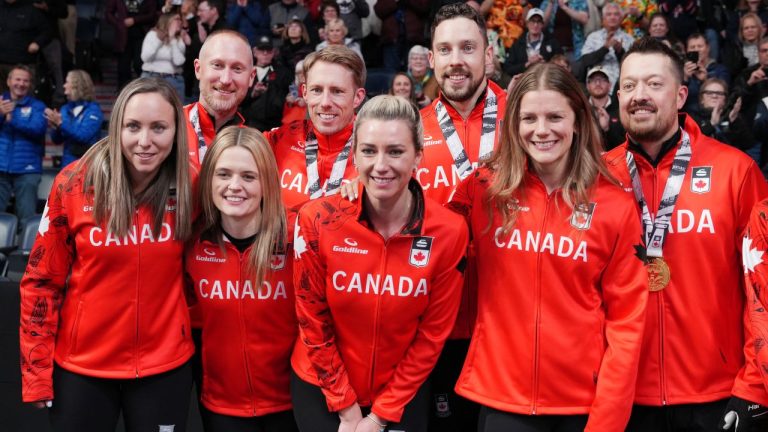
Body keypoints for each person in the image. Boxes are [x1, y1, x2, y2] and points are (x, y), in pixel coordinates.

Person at [448, 60, 647, 432]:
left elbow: (627, 325)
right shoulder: (484, 189)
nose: (541, 131)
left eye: (555, 117)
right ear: (514, 124)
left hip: (581, 406)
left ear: (577, 120)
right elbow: (425, 230)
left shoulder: (615, 205)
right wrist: (357, 193)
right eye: (529, 119)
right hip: (500, 397)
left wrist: (607, 421)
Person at [602, 36, 768, 432]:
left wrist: (756, 386)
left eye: (653, 84)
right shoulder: (598, 177)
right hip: (623, 396)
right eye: (628, 85)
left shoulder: (736, 171)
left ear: (680, 95)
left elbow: (762, 285)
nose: (638, 95)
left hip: (716, 395)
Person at [19, 77, 196, 431]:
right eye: (133, 126)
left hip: (164, 369)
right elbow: (40, 283)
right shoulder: (73, 184)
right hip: (83, 369)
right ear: (116, 128)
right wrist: (36, 371)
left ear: (177, 132)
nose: (145, 141)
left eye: (159, 127)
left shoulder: (194, 186)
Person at [290, 94, 468, 432]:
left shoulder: (449, 230)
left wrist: (380, 415)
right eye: (369, 151)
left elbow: (432, 336)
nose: (380, 165)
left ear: (418, 156)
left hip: (401, 394)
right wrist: (346, 407)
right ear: (354, 154)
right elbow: (311, 318)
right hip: (322, 389)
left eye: (396, 151)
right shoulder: (317, 219)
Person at [418, 4, 508, 431]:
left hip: (512, 324)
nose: (457, 60)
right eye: (446, 49)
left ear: (488, 55)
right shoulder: (410, 132)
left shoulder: (527, 120)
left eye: (468, 47)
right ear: (431, 59)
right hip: (439, 327)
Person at [185, 125, 299, 432]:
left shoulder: (296, 241)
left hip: (294, 406)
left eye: (248, 176)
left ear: (267, 183)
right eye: (223, 174)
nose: (235, 186)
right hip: (221, 407)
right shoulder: (192, 246)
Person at [265, 45, 365, 209]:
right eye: (317, 90)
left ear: (357, 97)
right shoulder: (280, 139)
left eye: (337, 91)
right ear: (304, 92)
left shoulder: (380, 155)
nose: (325, 103)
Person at [185, 30, 256, 165]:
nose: (225, 79)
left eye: (237, 69)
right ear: (198, 69)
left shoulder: (255, 147)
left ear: (251, 77)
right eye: (217, 65)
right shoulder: (170, 126)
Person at [0, 65, 47, 219]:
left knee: (26, 217)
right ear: (8, 81)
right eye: (17, 79)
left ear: (30, 84)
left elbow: (38, 129)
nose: (21, 84)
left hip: (28, 170)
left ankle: (25, 244)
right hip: (1, 167)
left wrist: (12, 118)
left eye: (25, 81)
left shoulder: (38, 106)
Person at [45, 69, 104, 167]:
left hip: (87, 166)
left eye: (67, 82)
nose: (64, 86)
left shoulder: (93, 110)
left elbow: (83, 136)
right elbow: (57, 140)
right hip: (67, 165)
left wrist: (60, 123)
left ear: (77, 85)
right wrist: (55, 127)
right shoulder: (65, 108)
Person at [579, 2, 635, 93]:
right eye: (609, 14)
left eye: (616, 14)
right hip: (596, 87)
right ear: (603, 19)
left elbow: (633, 67)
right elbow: (585, 61)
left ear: (621, 18)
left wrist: (620, 52)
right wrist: (605, 48)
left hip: (622, 88)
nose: (612, 17)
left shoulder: (629, 39)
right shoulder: (593, 37)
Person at [241, 35, 292, 132]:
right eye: (261, 49)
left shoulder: (283, 73)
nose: (265, 53)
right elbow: (237, 99)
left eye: (268, 50)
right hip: (249, 124)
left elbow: (289, 95)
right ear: (255, 51)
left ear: (273, 52)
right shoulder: (245, 72)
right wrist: (253, 93)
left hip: (274, 125)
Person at [106, 0, 158, 90]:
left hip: (142, 35)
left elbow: (152, 15)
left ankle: (143, 90)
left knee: (139, 64)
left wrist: (135, 20)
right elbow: (108, 13)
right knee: (123, 67)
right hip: (123, 36)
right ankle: (123, 93)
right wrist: (119, 24)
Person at [141, 12, 190, 99]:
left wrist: (172, 39)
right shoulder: (152, 35)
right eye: (177, 19)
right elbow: (145, 58)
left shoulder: (178, 39)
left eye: (180, 20)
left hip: (173, 79)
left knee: (175, 111)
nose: (180, 22)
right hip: (151, 76)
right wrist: (159, 40)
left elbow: (178, 62)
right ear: (167, 21)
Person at [504, 8, 562, 77]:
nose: (535, 25)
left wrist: (545, 64)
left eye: (539, 21)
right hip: (524, 81)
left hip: (546, 80)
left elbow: (561, 64)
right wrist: (527, 64)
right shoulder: (517, 44)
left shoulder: (552, 42)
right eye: (532, 21)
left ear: (542, 24)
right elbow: (508, 68)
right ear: (527, 23)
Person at [586, 65, 625, 150]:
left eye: (602, 80)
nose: (598, 83)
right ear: (587, 86)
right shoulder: (581, 109)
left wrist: (608, 129)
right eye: (593, 80)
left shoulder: (621, 108)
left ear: (610, 85)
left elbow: (625, 146)